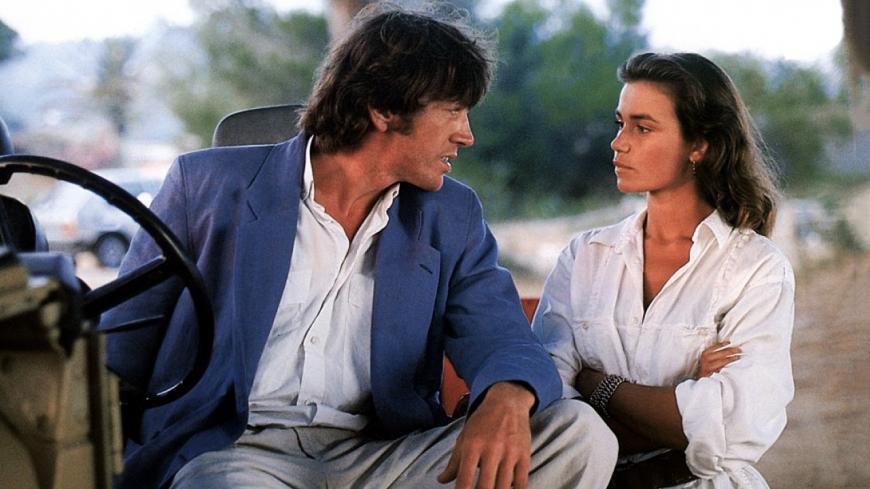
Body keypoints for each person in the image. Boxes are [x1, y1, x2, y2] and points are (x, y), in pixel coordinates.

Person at [100, 4, 618, 489]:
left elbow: (500, 333)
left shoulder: (451, 214)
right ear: (384, 110)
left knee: (577, 434)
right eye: (453, 110)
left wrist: (508, 393)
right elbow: (120, 345)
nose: (467, 135)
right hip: (234, 453)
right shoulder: (205, 186)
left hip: (383, 456)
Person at [532, 52, 794, 488]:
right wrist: (686, 395)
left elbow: (734, 430)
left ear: (699, 145)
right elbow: (548, 414)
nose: (618, 143)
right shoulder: (585, 257)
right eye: (620, 123)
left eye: (643, 127)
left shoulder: (757, 269)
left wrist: (597, 385)